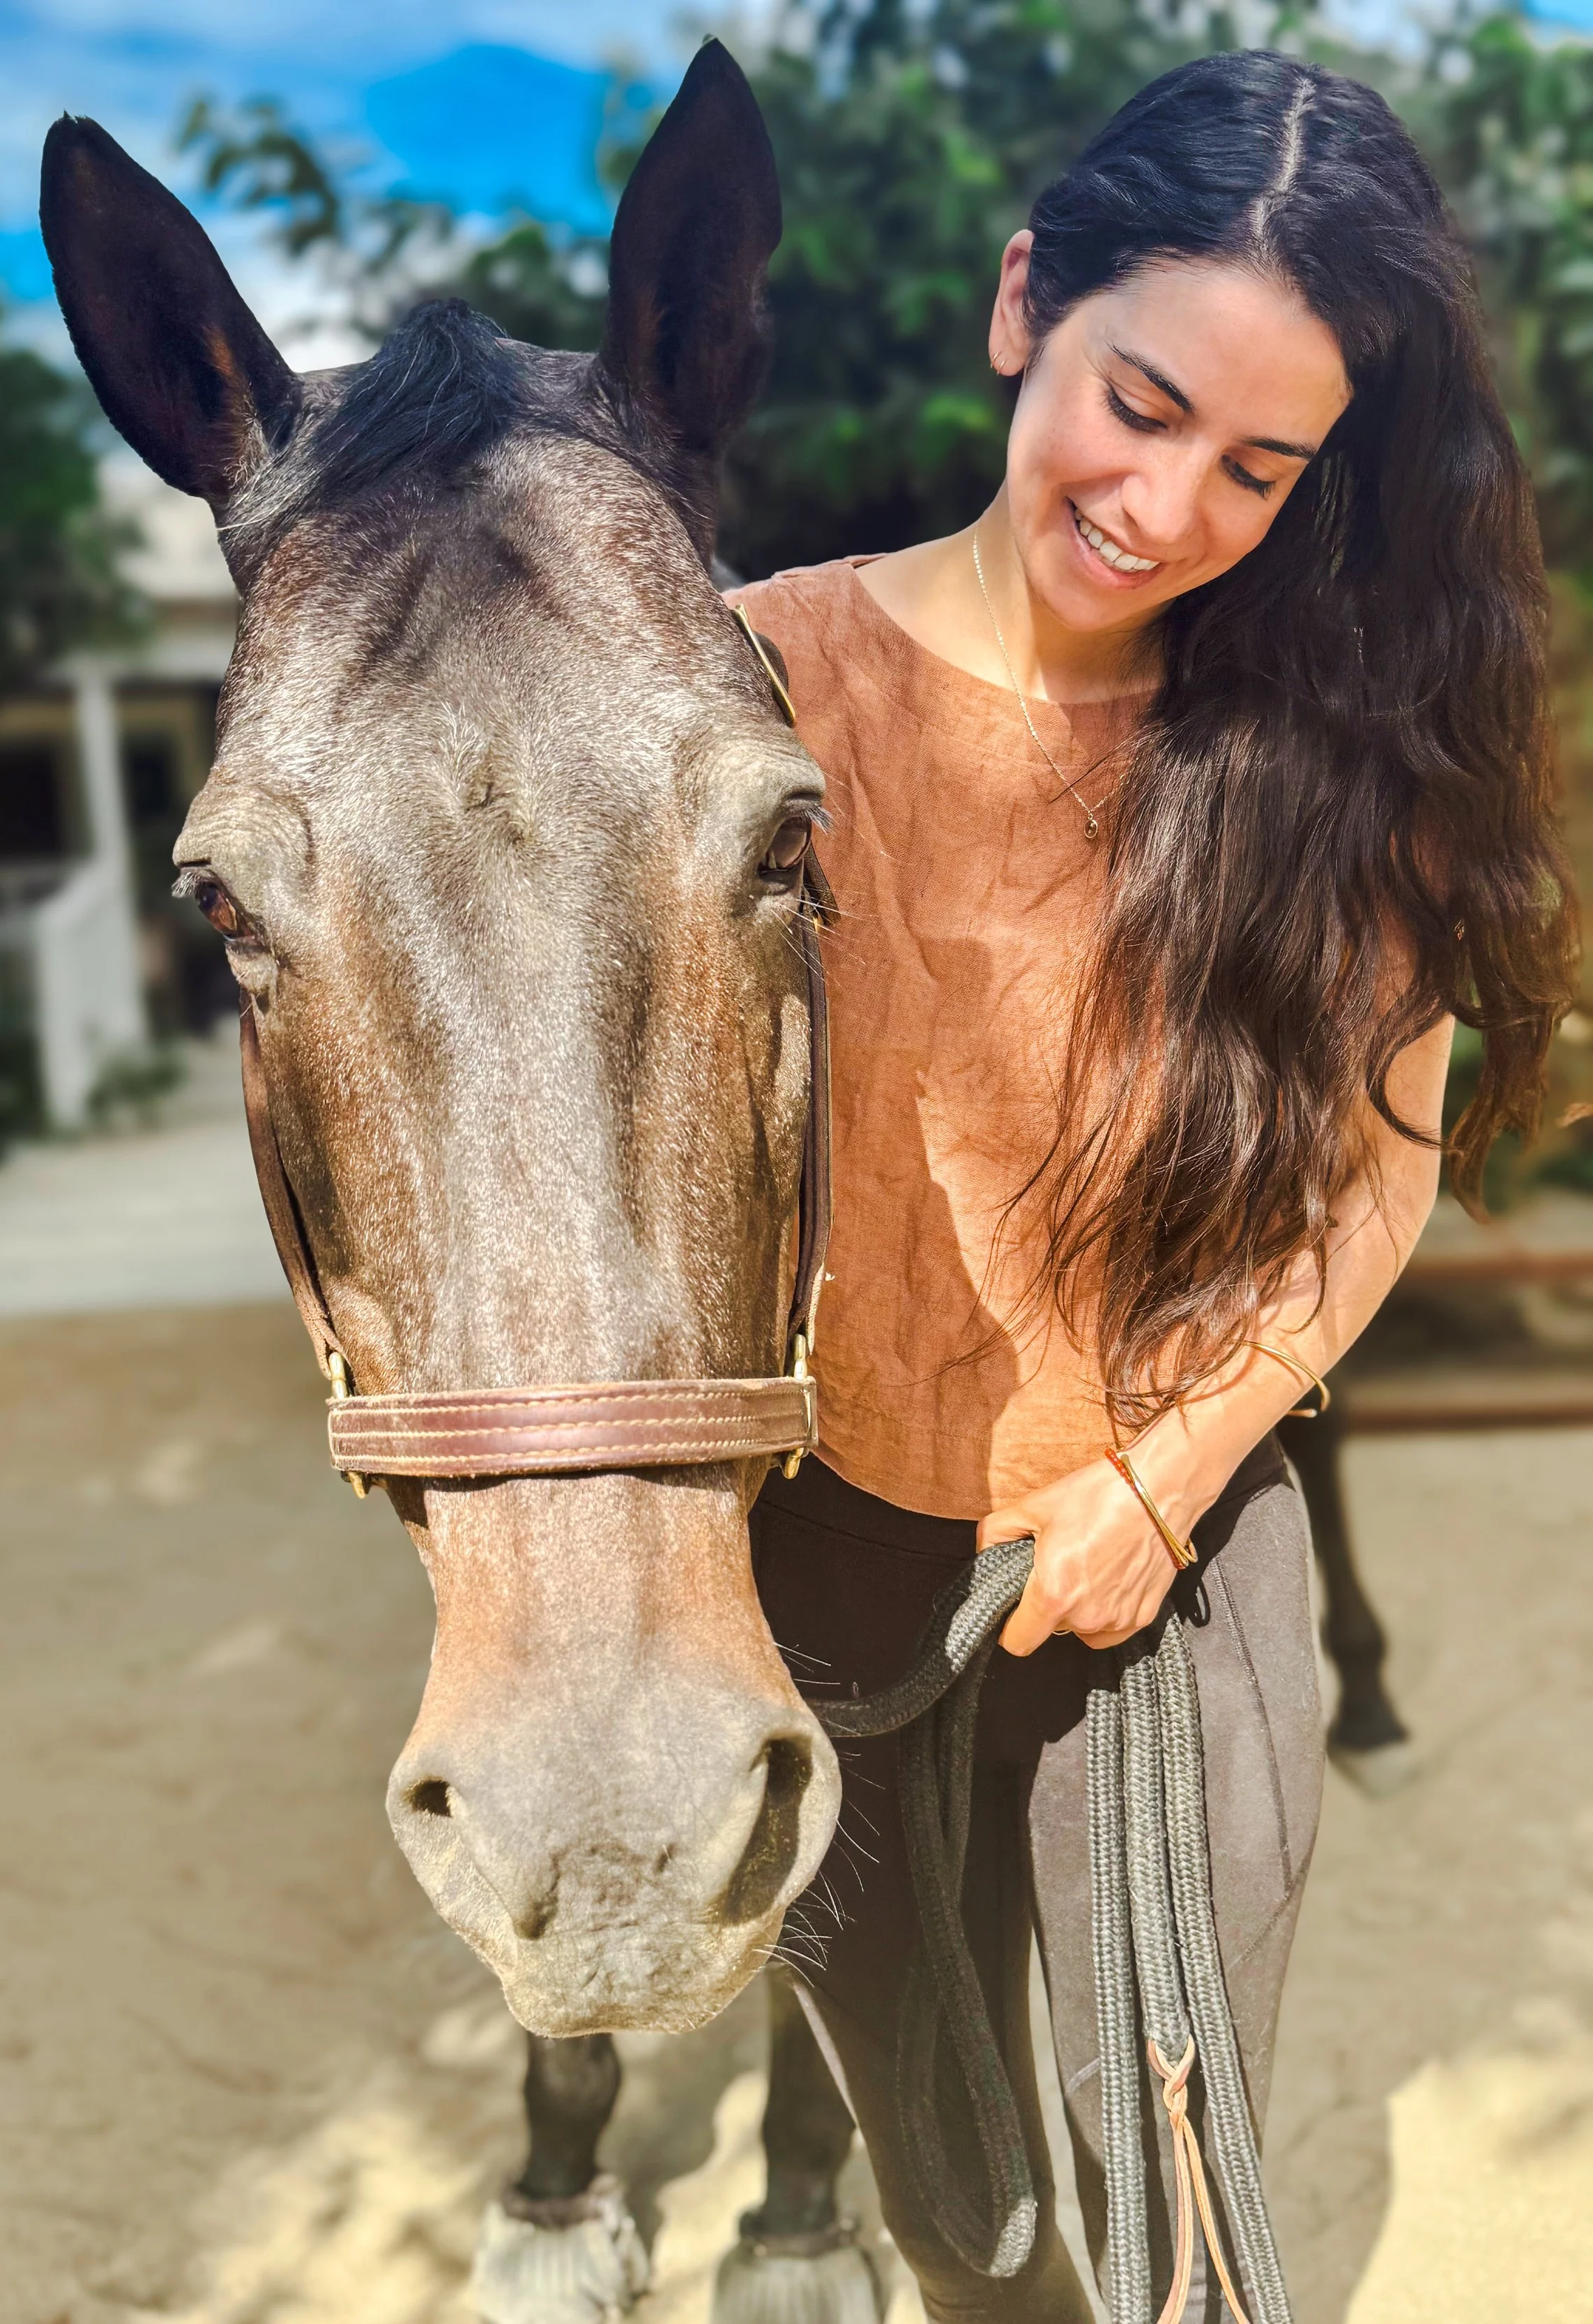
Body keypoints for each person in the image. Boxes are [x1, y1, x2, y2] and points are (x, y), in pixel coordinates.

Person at [738, 49, 1578, 2323]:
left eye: (1255, 463)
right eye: (1138, 397)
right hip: (824, 1558)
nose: (1168, 499)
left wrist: (1165, 1468)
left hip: (1169, 1565)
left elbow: (1372, 1176)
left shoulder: (1322, 755)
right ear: (1027, 302)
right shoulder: (747, 692)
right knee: (957, 2221)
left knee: (1175, 2207)